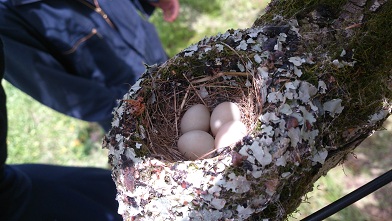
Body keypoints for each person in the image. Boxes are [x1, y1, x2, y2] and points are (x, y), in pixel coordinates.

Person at [0, 0, 180, 131]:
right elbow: (63, 93)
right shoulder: (7, 17)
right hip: (137, 118)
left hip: (161, 64)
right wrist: (133, 111)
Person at [0, 37, 124, 221]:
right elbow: (49, 82)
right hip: (13, 206)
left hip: (11, 185)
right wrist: (120, 110)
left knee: (121, 192)